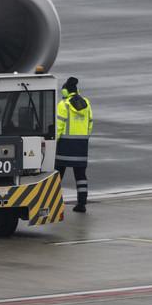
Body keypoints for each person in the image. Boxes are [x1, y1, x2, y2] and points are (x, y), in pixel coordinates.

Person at [56, 77, 94, 212]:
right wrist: (84, 138)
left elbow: (58, 127)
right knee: (81, 176)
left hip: (64, 146)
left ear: (65, 91)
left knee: (57, 176)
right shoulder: (87, 104)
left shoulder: (63, 105)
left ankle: (55, 202)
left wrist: (54, 141)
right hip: (81, 145)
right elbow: (90, 124)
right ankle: (82, 204)